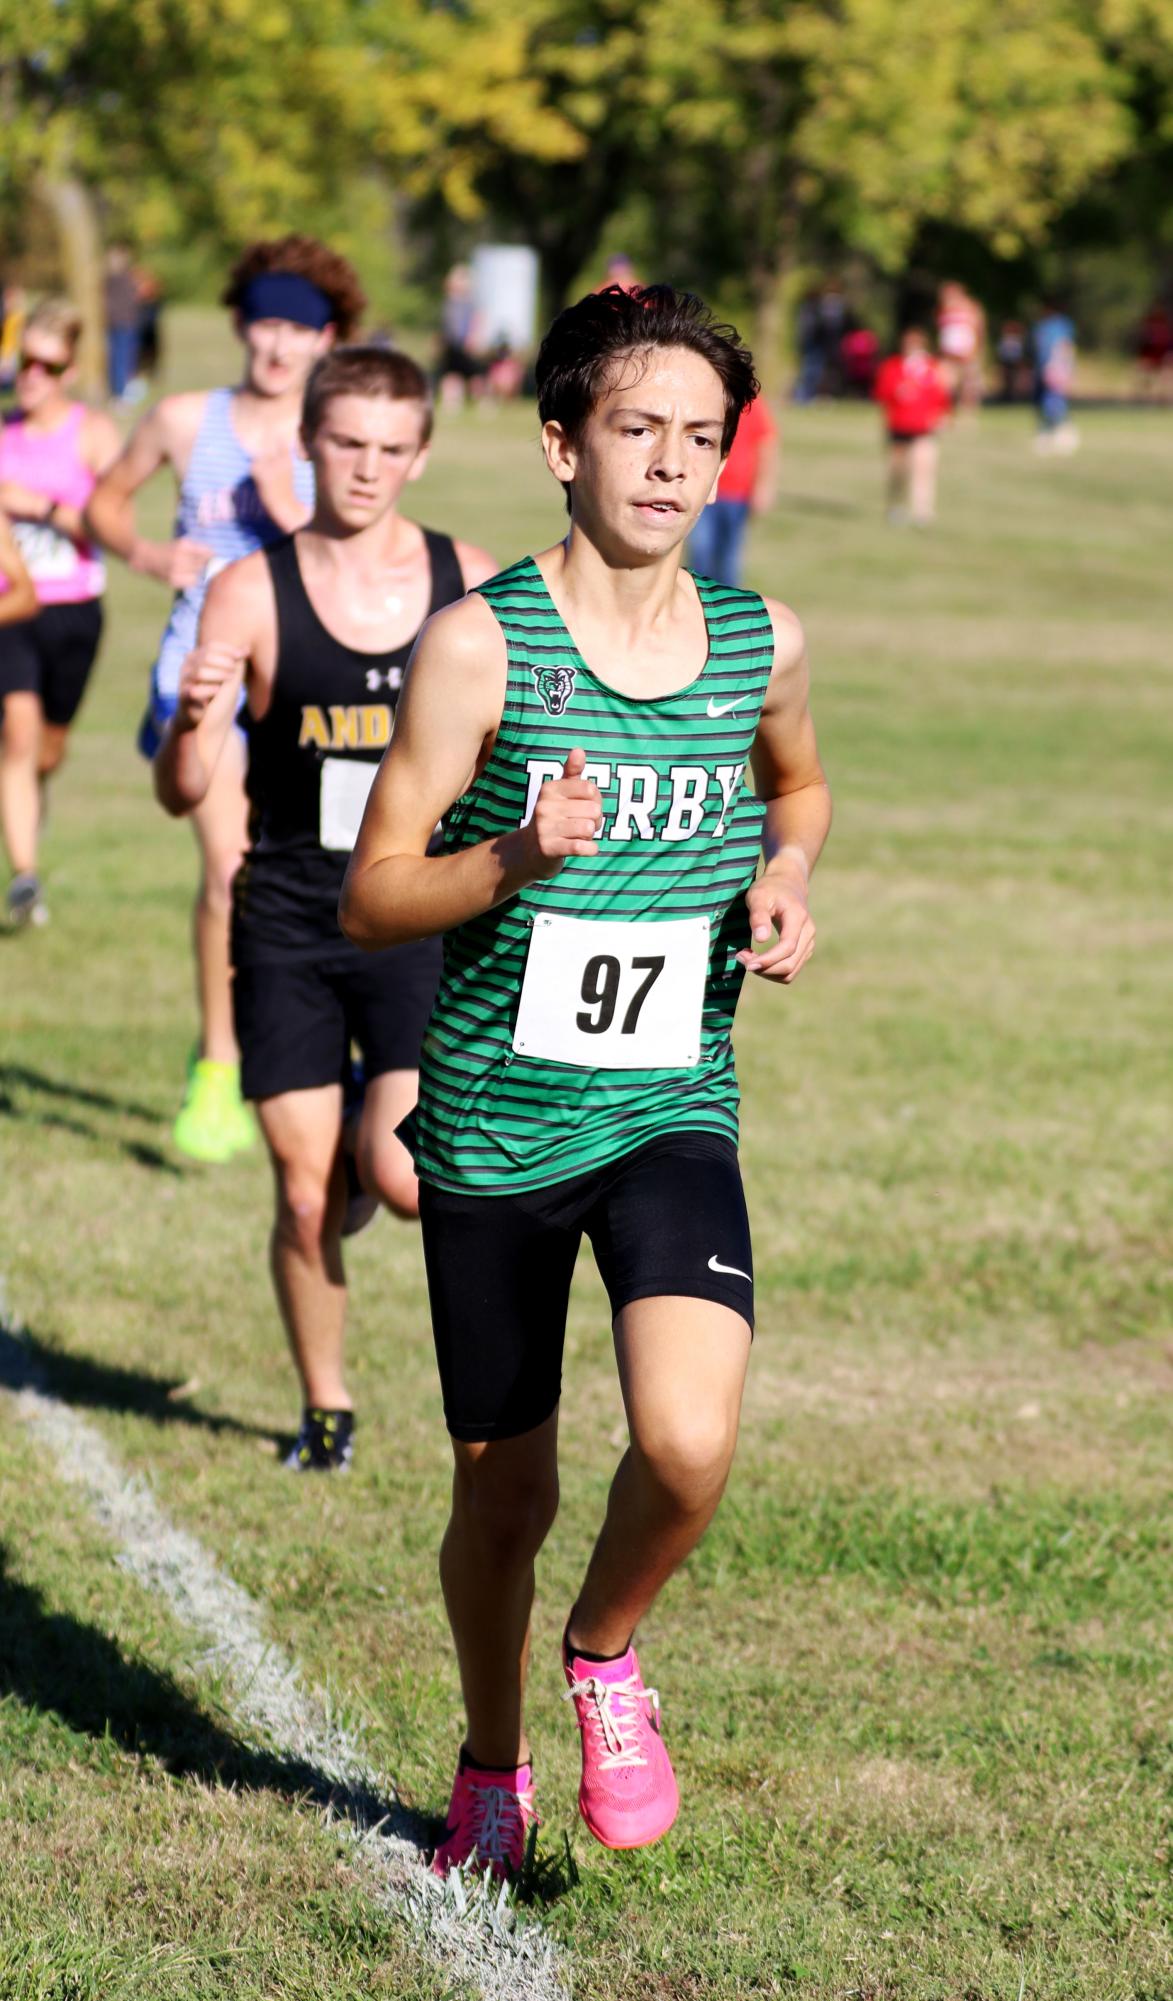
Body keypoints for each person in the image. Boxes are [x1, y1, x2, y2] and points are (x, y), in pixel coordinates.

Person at [340, 284, 831, 1877]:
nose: (673, 465)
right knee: (507, 1497)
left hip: (669, 1102)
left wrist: (786, 879)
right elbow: (374, 895)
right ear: (562, 443)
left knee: (687, 1443)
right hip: (492, 1126)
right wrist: (515, 852)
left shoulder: (759, 637)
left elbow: (799, 787)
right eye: (639, 430)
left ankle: (606, 1656)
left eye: (702, 438)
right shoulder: (480, 644)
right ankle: (493, 1763)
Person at [154, 345, 496, 1470]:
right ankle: (327, 1404)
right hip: (292, 916)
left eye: (393, 449)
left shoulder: (469, 581)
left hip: (410, 913)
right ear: (306, 442)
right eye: (347, 443)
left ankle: (364, 1118)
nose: (367, 469)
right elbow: (183, 793)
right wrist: (195, 721)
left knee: (400, 1181)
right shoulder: (248, 589)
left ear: (422, 454)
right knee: (306, 1200)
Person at [87, 235, 366, 1162]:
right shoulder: (181, 419)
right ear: (243, 325)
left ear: (326, 340)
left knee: (313, 869)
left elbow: (355, 555)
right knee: (229, 862)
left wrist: (283, 507)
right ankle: (216, 1064)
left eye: (300, 330)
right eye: (267, 325)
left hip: (300, 685)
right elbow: (106, 501)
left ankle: (327, 1045)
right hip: (197, 670)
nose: (279, 347)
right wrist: (148, 554)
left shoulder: (339, 435)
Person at [0, 300, 120, 929]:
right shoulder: (3, 435)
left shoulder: (93, 434)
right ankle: (24, 876)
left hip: (74, 610)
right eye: (26, 362)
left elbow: (111, 524)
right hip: (11, 608)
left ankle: (26, 815)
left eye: (48, 365)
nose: (33, 376)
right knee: (17, 734)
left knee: (46, 750)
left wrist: (37, 507)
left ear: (70, 369)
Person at [687, 389, 777, 586]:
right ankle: (698, 603)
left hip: (737, 495)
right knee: (701, 550)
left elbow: (766, 443)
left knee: (728, 557)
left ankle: (727, 609)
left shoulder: (751, 404)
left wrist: (763, 486)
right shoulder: (706, 399)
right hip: (703, 491)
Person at [874, 326, 952, 526]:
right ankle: (895, 505)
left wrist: (942, 415)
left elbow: (941, 396)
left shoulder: (932, 369)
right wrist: (897, 393)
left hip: (923, 427)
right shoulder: (893, 367)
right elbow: (881, 394)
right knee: (898, 470)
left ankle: (922, 511)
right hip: (899, 425)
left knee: (924, 467)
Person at [1031, 300, 1078, 455]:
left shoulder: (1061, 325)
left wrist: (1062, 367)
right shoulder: (1040, 326)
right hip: (1042, 370)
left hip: (1055, 369)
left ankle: (1061, 430)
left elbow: (1065, 347)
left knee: (1054, 401)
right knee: (1041, 401)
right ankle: (1046, 430)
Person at [936, 281, 985, 417]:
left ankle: (967, 413)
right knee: (945, 382)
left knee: (968, 384)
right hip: (948, 352)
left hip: (967, 351)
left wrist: (977, 349)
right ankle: (946, 410)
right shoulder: (943, 309)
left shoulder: (970, 307)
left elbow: (978, 329)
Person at [103, 246, 141, 404]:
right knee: (119, 359)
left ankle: (122, 390)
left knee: (123, 358)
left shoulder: (121, 279)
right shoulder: (115, 280)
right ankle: (119, 393)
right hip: (120, 323)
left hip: (125, 322)